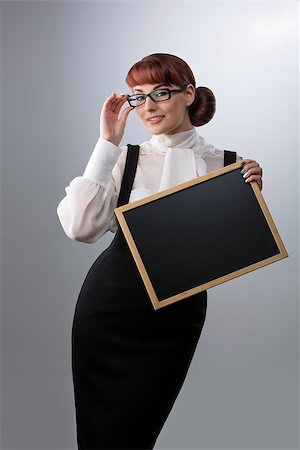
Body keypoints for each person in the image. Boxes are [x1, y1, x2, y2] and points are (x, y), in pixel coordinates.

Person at [57, 53, 263, 449]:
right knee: (99, 435)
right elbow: (80, 228)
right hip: (110, 310)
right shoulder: (124, 158)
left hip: (176, 316)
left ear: (188, 94)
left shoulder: (229, 165)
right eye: (138, 97)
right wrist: (106, 144)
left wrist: (250, 198)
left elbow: (228, 248)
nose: (148, 107)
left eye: (161, 93)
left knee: (137, 434)